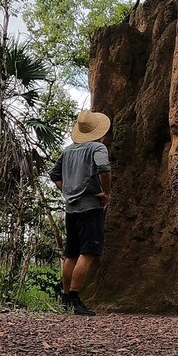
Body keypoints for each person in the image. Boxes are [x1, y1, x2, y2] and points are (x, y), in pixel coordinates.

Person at [49, 110, 112, 315]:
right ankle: (75, 298)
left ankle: (66, 298)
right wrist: (106, 192)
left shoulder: (68, 151)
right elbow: (104, 168)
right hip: (90, 207)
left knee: (71, 253)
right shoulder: (97, 147)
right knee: (88, 252)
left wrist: (67, 190)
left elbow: (54, 175)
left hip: (71, 208)